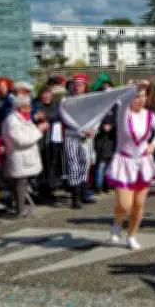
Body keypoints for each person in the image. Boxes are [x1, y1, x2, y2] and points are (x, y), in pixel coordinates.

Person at [105, 84, 155, 250]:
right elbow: (124, 99)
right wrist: (136, 86)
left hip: (143, 163)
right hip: (124, 163)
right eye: (138, 96)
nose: (142, 100)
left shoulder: (149, 115)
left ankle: (131, 235)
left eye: (144, 96)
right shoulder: (123, 112)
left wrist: (153, 145)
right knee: (125, 205)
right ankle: (117, 221)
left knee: (139, 204)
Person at [2, 95, 49, 217]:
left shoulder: (22, 118)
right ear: (19, 108)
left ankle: (15, 205)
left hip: (25, 157)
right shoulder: (12, 121)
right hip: (19, 157)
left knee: (22, 183)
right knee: (20, 183)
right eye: (27, 107)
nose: (30, 108)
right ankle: (20, 209)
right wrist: (39, 130)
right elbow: (22, 140)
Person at [61, 75, 98, 209]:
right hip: (72, 136)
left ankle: (83, 193)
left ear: (85, 86)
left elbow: (97, 116)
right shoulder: (66, 101)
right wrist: (81, 129)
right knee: (74, 165)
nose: (78, 87)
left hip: (87, 137)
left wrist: (94, 128)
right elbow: (66, 118)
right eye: (76, 85)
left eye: (80, 85)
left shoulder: (90, 101)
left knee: (85, 163)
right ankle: (75, 198)